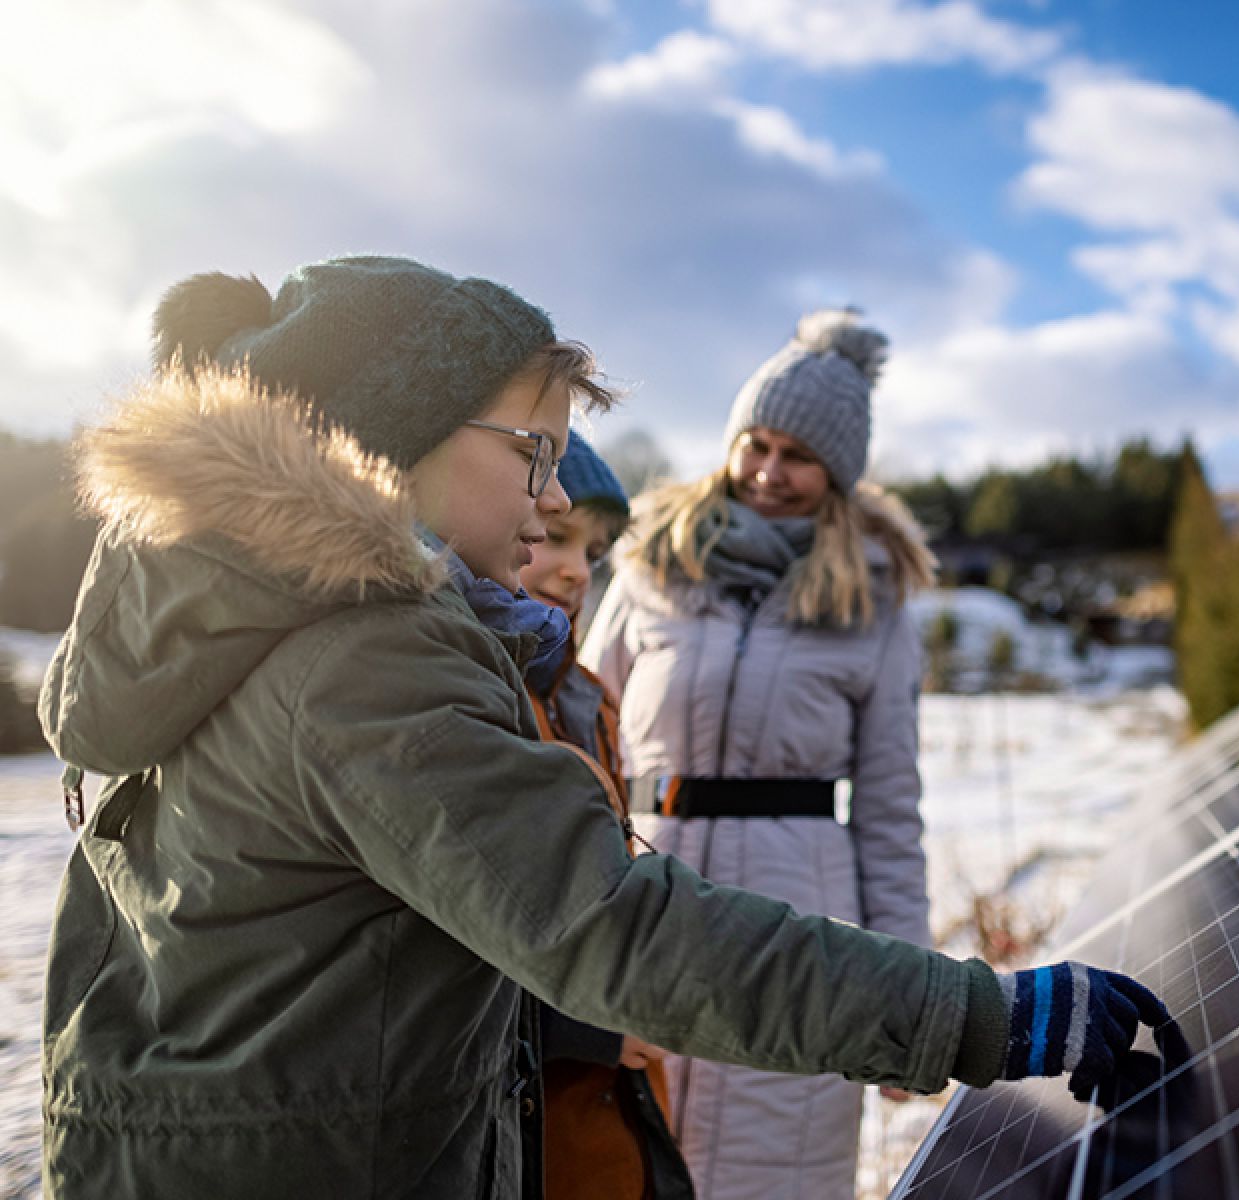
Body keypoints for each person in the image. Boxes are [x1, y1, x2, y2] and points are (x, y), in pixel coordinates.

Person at [37, 255, 1174, 1200]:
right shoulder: (363, 659)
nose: (549, 498)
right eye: (531, 451)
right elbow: (610, 926)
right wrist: (978, 1014)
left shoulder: (210, 612)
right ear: (400, 436)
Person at [578, 310, 929, 1199]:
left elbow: (889, 808)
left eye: (799, 457)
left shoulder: (875, 599)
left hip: (802, 909)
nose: (769, 473)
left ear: (839, 473)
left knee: (775, 1158)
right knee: (619, 1148)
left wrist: (907, 999)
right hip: (645, 892)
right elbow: (581, 731)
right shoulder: (653, 564)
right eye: (757, 444)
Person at [516, 432, 691, 1199]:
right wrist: (591, 1028)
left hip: (618, 1110)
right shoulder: (466, 703)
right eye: (554, 538)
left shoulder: (589, 700)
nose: (574, 571)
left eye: (594, 551)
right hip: (535, 1123)